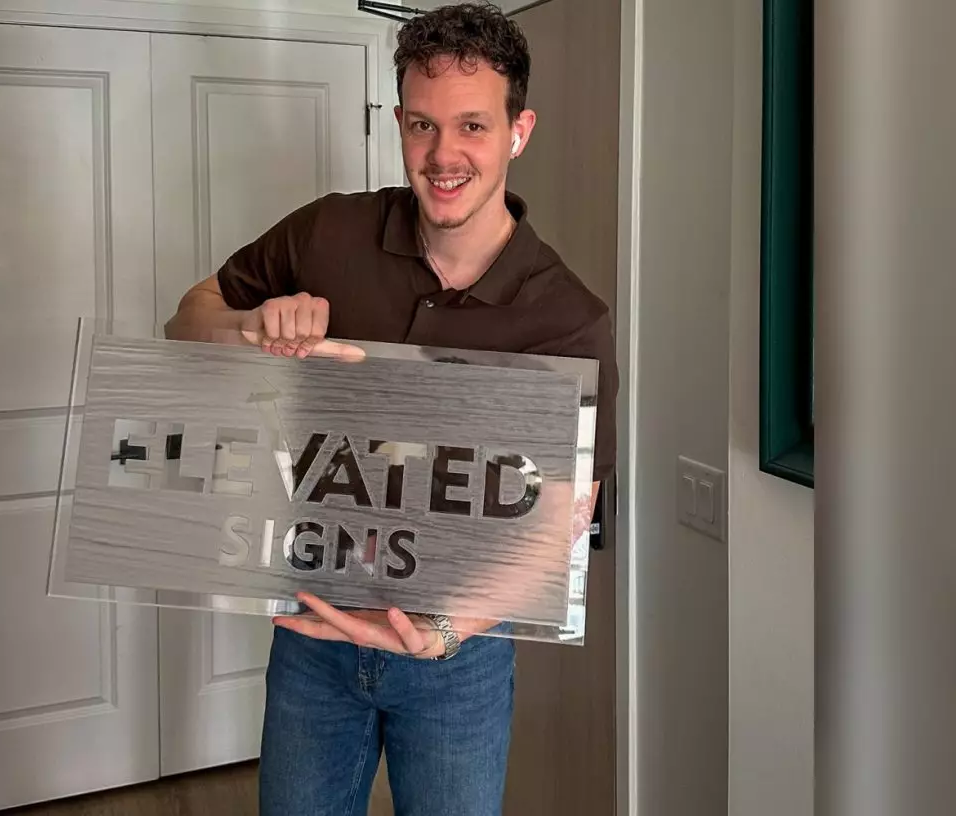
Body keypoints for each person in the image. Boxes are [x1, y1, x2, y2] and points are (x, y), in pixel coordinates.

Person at [163, 3, 617, 813]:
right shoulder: (328, 233)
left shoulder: (569, 318)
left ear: (519, 131)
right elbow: (186, 321)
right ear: (400, 122)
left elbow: (563, 518)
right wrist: (248, 329)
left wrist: (445, 631)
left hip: (458, 654)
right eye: (422, 125)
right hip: (313, 627)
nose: (443, 156)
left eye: (472, 125)